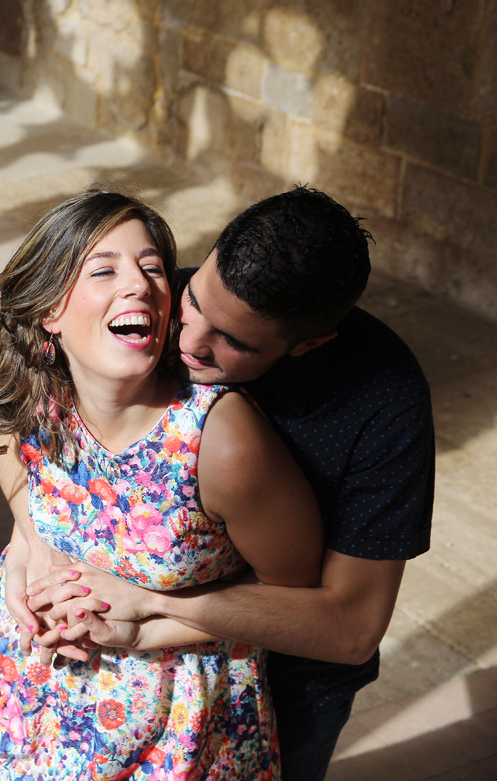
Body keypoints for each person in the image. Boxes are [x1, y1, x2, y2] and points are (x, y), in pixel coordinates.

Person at [22, 186, 435, 780]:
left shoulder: (385, 402)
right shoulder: (154, 300)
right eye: (194, 302)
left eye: (232, 342)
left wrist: (153, 607)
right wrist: (31, 545)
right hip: (117, 667)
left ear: (310, 344)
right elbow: (12, 399)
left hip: (288, 673)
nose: (186, 341)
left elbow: (350, 630)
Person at [0, 190, 324, 779]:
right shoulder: (31, 395)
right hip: (22, 695)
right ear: (50, 311)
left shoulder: (221, 441)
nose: (140, 285)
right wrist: (33, 542)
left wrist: (146, 625)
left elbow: (294, 597)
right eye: (104, 269)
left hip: (171, 729)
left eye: (153, 269)